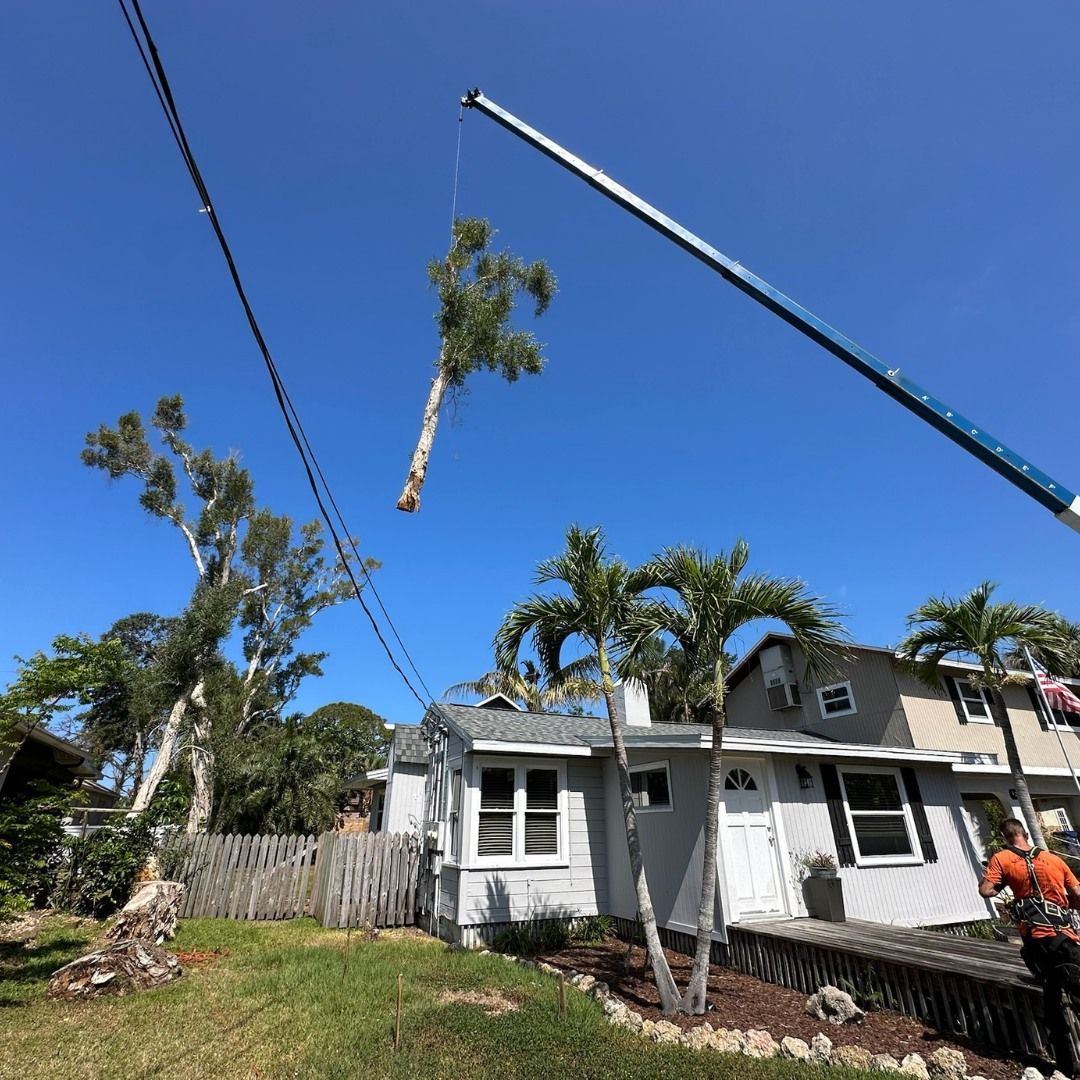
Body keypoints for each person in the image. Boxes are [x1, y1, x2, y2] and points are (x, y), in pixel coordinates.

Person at [980, 817, 1080, 1076]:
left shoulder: (1002, 859)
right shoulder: (1052, 859)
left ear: (1005, 837)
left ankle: (1067, 1065)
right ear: (1025, 833)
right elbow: (1078, 895)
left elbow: (986, 890)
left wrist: (1003, 885)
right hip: (1067, 937)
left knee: (1053, 1000)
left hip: (1037, 940)